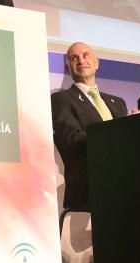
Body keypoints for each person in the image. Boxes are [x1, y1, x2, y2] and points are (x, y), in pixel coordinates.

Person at [51, 42, 128, 211]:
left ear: (97, 62)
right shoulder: (61, 99)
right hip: (90, 182)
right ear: (67, 67)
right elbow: (72, 140)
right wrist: (118, 133)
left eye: (85, 55)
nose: (81, 60)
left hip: (125, 179)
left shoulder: (117, 102)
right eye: (74, 58)